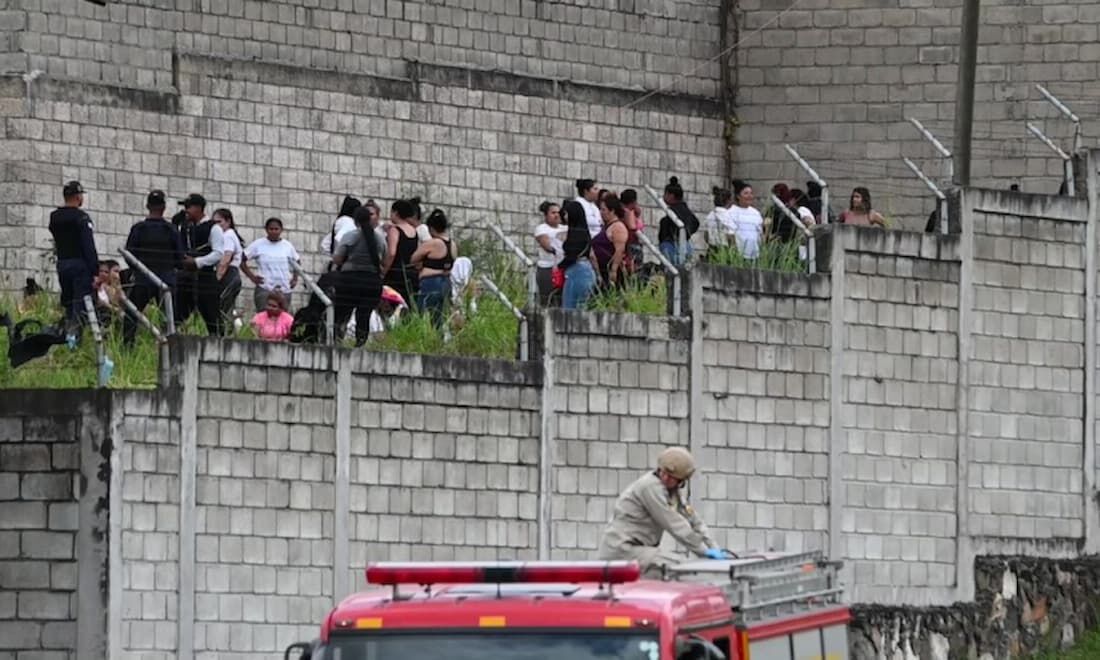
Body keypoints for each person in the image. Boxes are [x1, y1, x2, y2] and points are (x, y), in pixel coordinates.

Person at [597, 447, 726, 578]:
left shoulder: (672, 492)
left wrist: (714, 548)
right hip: (622, 551)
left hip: (638, 550)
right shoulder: (650, 487)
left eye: (671, 477)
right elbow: (675, 524)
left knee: (675, 567)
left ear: (681, 481)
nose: (665, 477)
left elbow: (693, 520)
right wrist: (704, 551)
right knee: (680, 567)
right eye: (663, 472)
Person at [122, 190, 184, 345]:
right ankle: (169, 346)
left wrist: (138, 268)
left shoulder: (139, 229)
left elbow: (129, 254)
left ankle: (128, 345)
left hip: (143, 279)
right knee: (169, 318)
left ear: (147, 206)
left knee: (132, 314)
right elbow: (180, 257)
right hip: (165, 281)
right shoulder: (171, 230)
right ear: (164, 207)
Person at [48, 180, 98, 339]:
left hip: (63, 263)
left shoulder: (55, 217)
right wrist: (95, 271)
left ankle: (67, 335)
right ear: (78, 197)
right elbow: (88, 246)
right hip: (80, 265)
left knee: (68, 302)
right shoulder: (82, 218)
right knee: (80, 305)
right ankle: (74, 340)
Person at [330, 205, 384, 346]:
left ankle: (337, 340)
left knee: (342, 313)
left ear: (355, 221)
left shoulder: (350, 236)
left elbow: (337, 258)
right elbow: (385, 255)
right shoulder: (378, 238)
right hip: (372, 281)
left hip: (349, 280)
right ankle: (360, 343)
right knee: (364, 315)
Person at [175, 193, 226, 334]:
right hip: (186, 277)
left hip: (205, 277)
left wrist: (197, 262)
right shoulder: (184, 228)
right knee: (177, 314)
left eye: (188, 207)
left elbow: (218, 253)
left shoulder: (213, 228)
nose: (185, 210)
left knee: (212, 317)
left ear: (198, 208)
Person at [242, 217, 300, 312]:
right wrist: (252, 277)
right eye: (271, 229)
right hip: (265, 288)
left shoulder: (287, 246)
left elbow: (297, 261)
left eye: (276, 229)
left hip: (284, 288)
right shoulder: (258, 244)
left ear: (281, 230)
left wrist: (295, 278)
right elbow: (242, 259)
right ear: (266, 229)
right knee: (263, 318)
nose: (273, 231)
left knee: (283, 318)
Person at [410, 209, 456, 327]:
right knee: (439, 318)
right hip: (446, 282)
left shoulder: (433, 243)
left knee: (422, 315)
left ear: (431, 228)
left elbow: (413, 258)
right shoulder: (452, 244)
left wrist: (421, 263)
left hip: (431, 283)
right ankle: (438, 341)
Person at [381, 199, 421, 306]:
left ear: (396, 213)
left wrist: (384, 271)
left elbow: (392, 253)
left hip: (396, 274)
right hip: (410, 273)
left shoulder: (394, 230)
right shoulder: (414, 230)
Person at [559, 197, 597, 310]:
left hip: (578, 272)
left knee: (571, 308)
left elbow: (572, 255)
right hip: (582, 271)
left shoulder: (577, 234)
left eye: (566, 214)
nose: (565, 217)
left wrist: (560, 266)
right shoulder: (583, 232)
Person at [657, 177, 700, 266]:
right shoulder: (684, 210)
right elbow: (695, 223)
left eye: (665, 194)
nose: (663, 197)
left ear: (671, 195)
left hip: (672, 246)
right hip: (684, 244)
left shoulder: (675, 211)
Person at [213, 208, 243, 328]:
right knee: (228, 308)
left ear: (228, 221)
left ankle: (225, 332)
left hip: (228, 274)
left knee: (220, 307)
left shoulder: (228, 235)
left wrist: (218, 277)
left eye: (219, 222)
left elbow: (226, 257)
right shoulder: (229, 235)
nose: (217, 225)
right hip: (233, 275)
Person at [592, 193, 631, 287]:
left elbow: (619, 250)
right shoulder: (606, 227)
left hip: (612, 270)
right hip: (602, 269)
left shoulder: (618, 227)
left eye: (603, 209)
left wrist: (613, 270)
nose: (601, 212)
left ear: (612, 211)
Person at [534, 201, 567, 306]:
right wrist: (556, 250)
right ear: (546, 215)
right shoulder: (542, 228)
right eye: (553, 213)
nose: (556, 215)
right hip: (547, 268)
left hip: (563, 267)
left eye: (558, 212)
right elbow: (546, 245)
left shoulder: (565, 228)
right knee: (547, 298)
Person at [320, 195, 361, 268]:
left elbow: (325, 244)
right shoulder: (349, 222)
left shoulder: (341, 220)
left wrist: (333, 256)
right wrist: (340, 258)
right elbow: (339, 239)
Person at [729, 180, 764, 259]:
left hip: (755, 254)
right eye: (746, 193)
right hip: (738, 255)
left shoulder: (756, 213)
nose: (749, 196)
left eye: (751, 193)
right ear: (738, 196)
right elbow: (730, 234)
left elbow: (760, 234)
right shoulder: (731, 212)